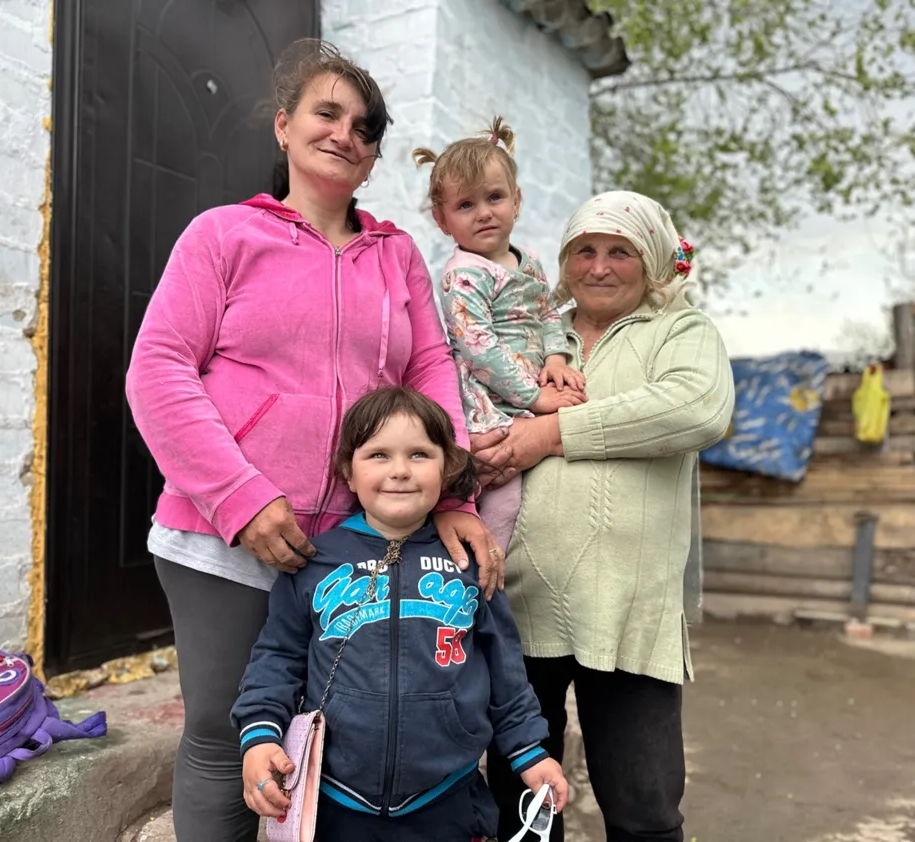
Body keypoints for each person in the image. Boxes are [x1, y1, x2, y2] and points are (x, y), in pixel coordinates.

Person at [124, 40, 504, 842]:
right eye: (326, 113)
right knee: (229, 734)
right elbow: (157, 369)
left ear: (372, 158)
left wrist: (455, 495)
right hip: (218, 538)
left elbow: (432, 369)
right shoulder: (222, 235)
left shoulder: (395, 255)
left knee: (341, 735)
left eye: (364, 127)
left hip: (353, 541)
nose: (345, 133)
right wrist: (240, 497)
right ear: (284, 126)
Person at [479, 191, 735, 842]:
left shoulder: (679, 330)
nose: (598, 266)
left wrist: (549, 433)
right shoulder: (535, 334)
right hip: (516, 607)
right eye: (583, 251)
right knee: (522, 810)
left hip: (626, 611)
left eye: (619, 251)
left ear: (649, 259)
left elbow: (695, 409)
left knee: (642, 812)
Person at [232, 387, 569, 842]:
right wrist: (259, 736)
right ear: (347, 472)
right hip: (335, 798)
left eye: (419, 454)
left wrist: (530, 751)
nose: (400, 471)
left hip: (447, 796)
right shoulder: (315, 562)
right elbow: (277, 658)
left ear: (446, 468)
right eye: (378, 455)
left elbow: (505, 668)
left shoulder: (469, 561)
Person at [412, 118, 586, 552]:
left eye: (494, 197)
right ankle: (483, 576)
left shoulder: (528, 263)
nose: (484, 212)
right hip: (492, 399)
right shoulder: (463, 275)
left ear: (517, 200)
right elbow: (478, 348)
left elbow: (547, 313)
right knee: (501, 495)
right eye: (465, 205)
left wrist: (556, 358)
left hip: (530, 386)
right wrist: (535, 397)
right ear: (442, 219)